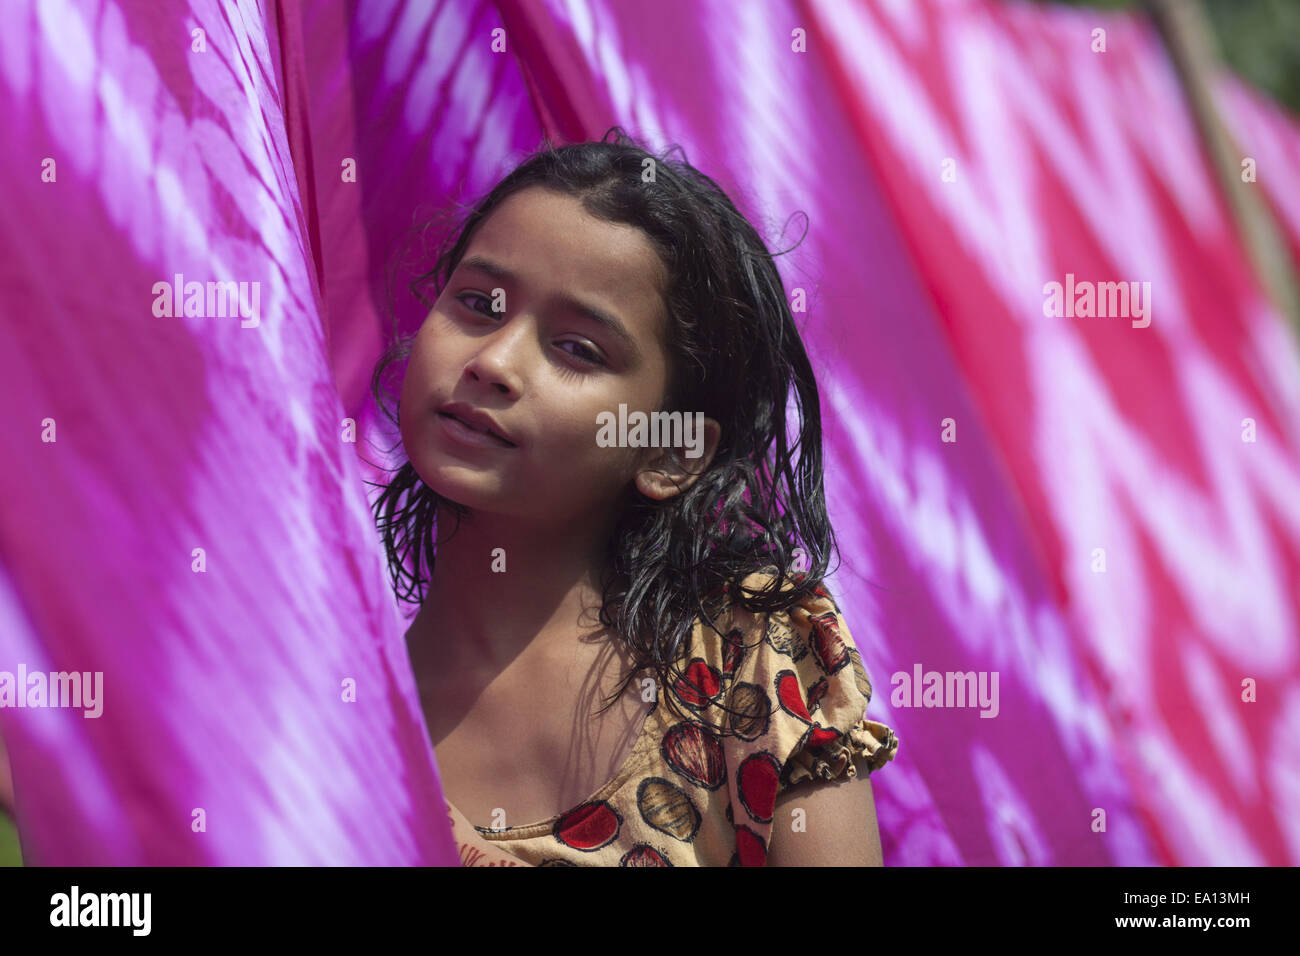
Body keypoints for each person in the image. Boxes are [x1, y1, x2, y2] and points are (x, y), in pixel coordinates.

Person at [368, 127, 898, 866]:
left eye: (577, 349)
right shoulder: (338, 689)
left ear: (671, 452)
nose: (493, 363)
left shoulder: (752, 653)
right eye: (479, 304)